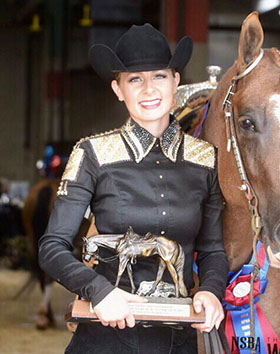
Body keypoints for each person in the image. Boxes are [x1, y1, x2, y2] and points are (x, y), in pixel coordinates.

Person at [39, 23, 229, 354]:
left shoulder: (206, 160)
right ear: (118, 89)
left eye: (159, 76)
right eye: (134, 80)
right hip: (105, 338)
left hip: (178, 341)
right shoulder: (93, 154)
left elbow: (212, 250)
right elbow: (52, 247)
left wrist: (211, 290)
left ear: (175, 81)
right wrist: (99, 290)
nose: (148, 90)